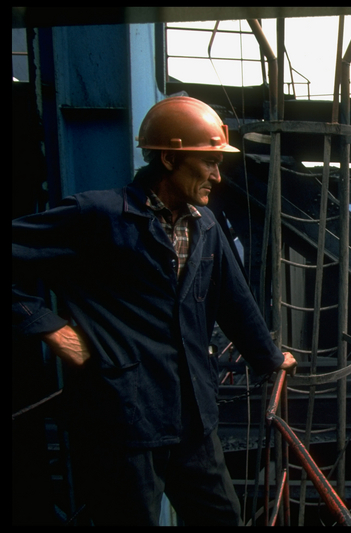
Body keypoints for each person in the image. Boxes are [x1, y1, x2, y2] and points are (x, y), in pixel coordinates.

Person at [12, 96, 296, 525]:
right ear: (168, 158)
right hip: (124, 422)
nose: (217, 177)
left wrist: (270, 359)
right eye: (209, 163)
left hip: (193, 421)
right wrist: (48, 327)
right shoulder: (100, 215)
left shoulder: (204, 225)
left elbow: (234, 303)